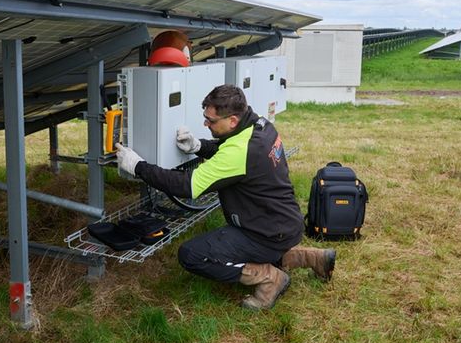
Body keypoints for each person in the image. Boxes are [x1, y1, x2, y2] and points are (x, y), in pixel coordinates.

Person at [115, 84, 336, 310]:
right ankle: (313, 258)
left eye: (211, 121)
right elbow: (228, 149)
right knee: (248, 246)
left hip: (267, 232)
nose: (205, 124)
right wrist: (199, 146)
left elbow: (187, 186)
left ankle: (270, 278)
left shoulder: (240, 152)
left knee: (191, 254)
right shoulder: (260, 126)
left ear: (232, 120)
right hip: (283, 222)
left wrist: (138, 167)